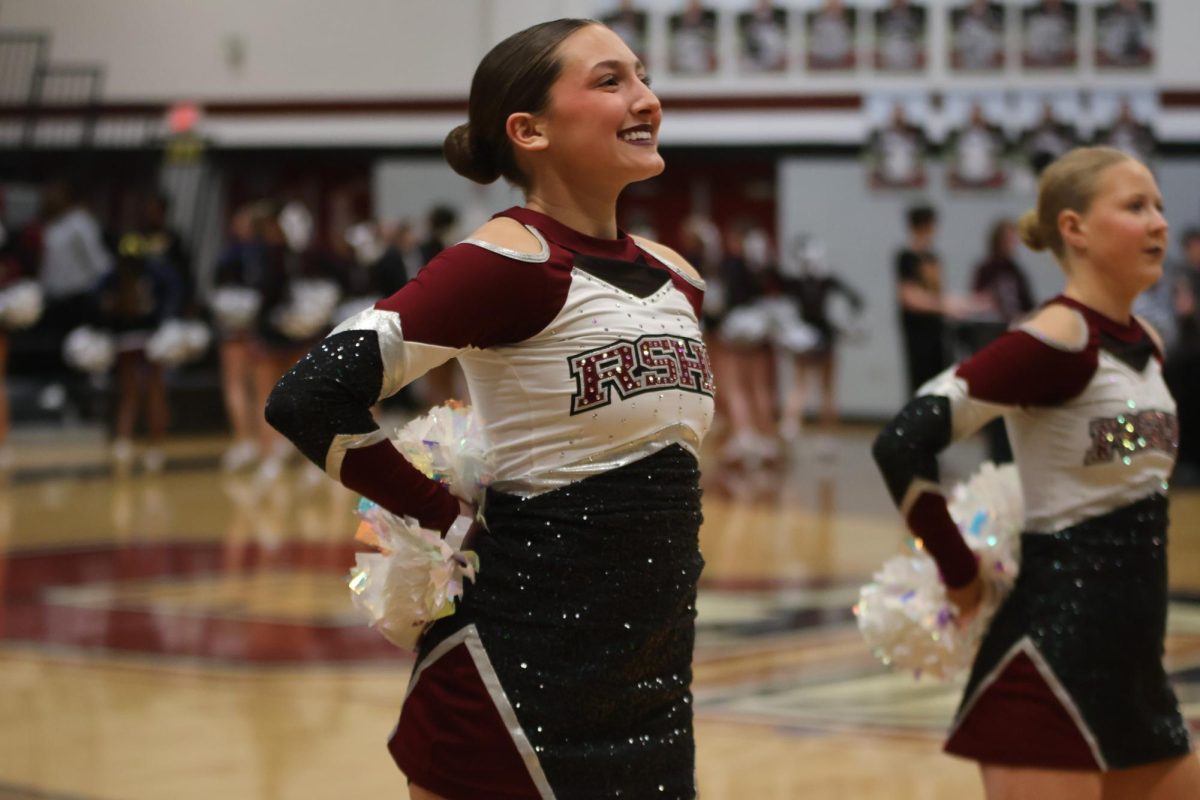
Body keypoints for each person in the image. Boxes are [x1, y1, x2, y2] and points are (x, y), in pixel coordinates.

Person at [266, 19, 714, 800]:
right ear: (528, 130)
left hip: (653, 680)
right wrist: (443, 518)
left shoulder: (678, 278)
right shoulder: (507, 262)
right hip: (515, 680)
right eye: (610, 81)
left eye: (642, 77)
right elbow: (309, 395)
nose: (646, 99)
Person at [873, 147, 1200, 799]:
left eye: (1159, 206)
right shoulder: (1055, 339)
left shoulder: (1146, 345)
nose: (1160, 223)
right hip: (1049, 671)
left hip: (1134, 669)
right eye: (1136, 207)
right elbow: (903, 441)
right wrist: (960, 573)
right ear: (1074, 228)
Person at [895, 205, 949, 395]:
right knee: (921, 382)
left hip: (937, 328)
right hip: (918, 330)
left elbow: (938, 292)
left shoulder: (933, 257)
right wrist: (944, 306)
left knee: (941, 381)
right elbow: (908, 296)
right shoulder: (906, 257)